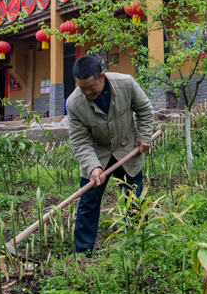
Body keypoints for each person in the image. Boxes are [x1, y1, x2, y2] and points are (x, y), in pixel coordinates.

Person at [66, 55, 155, 256]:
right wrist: (93, 167)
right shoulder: (74, 104)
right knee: (88, 202)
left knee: (134, 198)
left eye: (91, 87)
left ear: (102, 77)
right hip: (97, 154)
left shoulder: (126, 84)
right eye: (82, 88)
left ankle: (140, 244)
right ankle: (82, 253)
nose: (88, 92)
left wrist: (143, 136)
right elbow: (80, 141)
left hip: (127, 149)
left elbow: (145, 110)